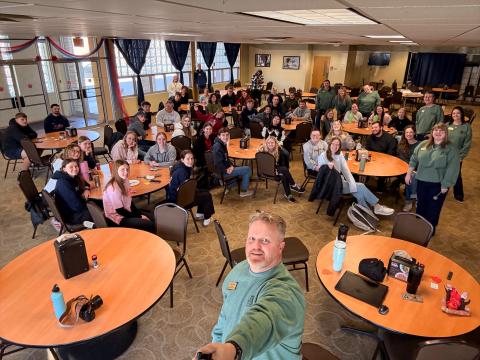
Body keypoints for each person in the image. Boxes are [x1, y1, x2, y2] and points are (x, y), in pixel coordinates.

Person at [195, 211, 305, 359]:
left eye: (265, 240)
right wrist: (217, 344)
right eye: (251, 238)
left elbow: (263, 321)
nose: (256, 246)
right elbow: (225, 315)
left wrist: (233, 351)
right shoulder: (238, 270)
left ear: (280, 247)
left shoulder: (286, 293)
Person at [317, 137, 394, 215]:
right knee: (360, 186)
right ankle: (376, 207)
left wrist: (352, 184)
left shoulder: (339, 154)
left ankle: (365, 212)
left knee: (358, 192)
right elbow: (321, 175)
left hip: (340, 182)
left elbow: (346, 170)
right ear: (329, 144)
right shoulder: (323, 156)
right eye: (333, 144)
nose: (335, 146)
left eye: (337, 145)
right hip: (331, 186)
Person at [406, 123, 460, 234]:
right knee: (421, 205)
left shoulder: (451, 149)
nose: (438, 132)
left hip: (438, 184)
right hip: (421, 181)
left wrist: (446, 184)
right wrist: (408, 173)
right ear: (432, 132)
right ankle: (419, 227)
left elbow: (452, 169)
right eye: (435, 130)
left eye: (441, 131)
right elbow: (414, 159)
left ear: (446, 133)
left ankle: (429, 230)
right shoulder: (424, 144)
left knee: (433, 208)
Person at [103, 160, 155, 232]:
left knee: (153, 218)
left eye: (127, 169)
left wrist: (138, 214)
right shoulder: (113, 188)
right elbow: (120, 211)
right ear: (116, 171)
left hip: (126, 212)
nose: (126, 172)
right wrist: (139, 216)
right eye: (122, 170)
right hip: (117, 218)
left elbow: (129, 202)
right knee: (149, 225)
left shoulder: (125, 180)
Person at [168, 150, 215, 226]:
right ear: (182, 160)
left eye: (192, 158)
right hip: (179, 201)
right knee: (207, 195)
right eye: (188, 159)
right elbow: (184, 190)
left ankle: (200, 214)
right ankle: (207, 217)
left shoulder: (180, 166)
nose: (190, 161)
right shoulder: (182, 171)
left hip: (175, 196)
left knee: (202, 192)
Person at [258, 136, 304, 202]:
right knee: (284, 170)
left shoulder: (279, 152)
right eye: (268, 143)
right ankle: (293, 185)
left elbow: (281, 164)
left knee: (283, 174)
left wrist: (276, 170)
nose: (270, 144)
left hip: (277, 170)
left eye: (272, 142)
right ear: (266, 143)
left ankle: (288, 194)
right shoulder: (263, 152)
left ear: (276, 143)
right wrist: (274, 171)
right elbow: (262, 165)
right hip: (267, 171)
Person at [212, 128, 253, 197]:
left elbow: (226, 159)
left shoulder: (220, 144)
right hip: (222, 172)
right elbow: (217, 163)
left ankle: (231, 185)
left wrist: (231, 166)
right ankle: (244, 191)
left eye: (227, 135)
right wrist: (226, 170)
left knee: (236, 166)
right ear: (219, 136)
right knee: (247, 169)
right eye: (223, 135)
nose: (225, 137)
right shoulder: (218, 147)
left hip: (222, 170)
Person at [51, 159, 92, 225]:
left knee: (98, 206)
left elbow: (86, 184)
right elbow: (76, 206)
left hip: (74, 210)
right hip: (70, 216)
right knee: (97, 214)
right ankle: (95, 228)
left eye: (76, 166)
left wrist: (86, 189)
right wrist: (88, 203)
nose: (75, 169)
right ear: (64, 169)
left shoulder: (73, 177)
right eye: (71, 167)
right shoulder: (64, 184)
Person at [446, 106, 472, 203]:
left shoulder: (466, 127)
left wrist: (461, 157)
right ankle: (442, 190)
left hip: (457, 156)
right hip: (445, 154)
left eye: (458, 113)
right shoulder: (447, 125)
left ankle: (458, 195)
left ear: (461, 114)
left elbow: (467, 144)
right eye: (453, 113)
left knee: (456, 175)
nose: (455, 115)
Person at [366, 121, 398, 192]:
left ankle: (380, 187)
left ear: (381, 127)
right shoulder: (370, 137)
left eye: (376, 127)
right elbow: (367, 150)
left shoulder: (389, 138)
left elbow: (391, 153)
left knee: (383, 167)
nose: (374, 129)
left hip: (385, 160)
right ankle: (365, 183)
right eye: (373, 128)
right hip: (372, 159)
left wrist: (381, 160)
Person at [397, 125, 419, 211]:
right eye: (407, 132)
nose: (408, 134)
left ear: (414, 133)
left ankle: (409, 200)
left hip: (417, 170)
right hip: (403, 170)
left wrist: (414, 170)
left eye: (411, 132)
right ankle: (414, 198)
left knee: (413, 177)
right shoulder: (401, 145)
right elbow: (401, 160)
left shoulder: (419, 145)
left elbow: (420, 160)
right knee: (412, 177)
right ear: (404, 134)